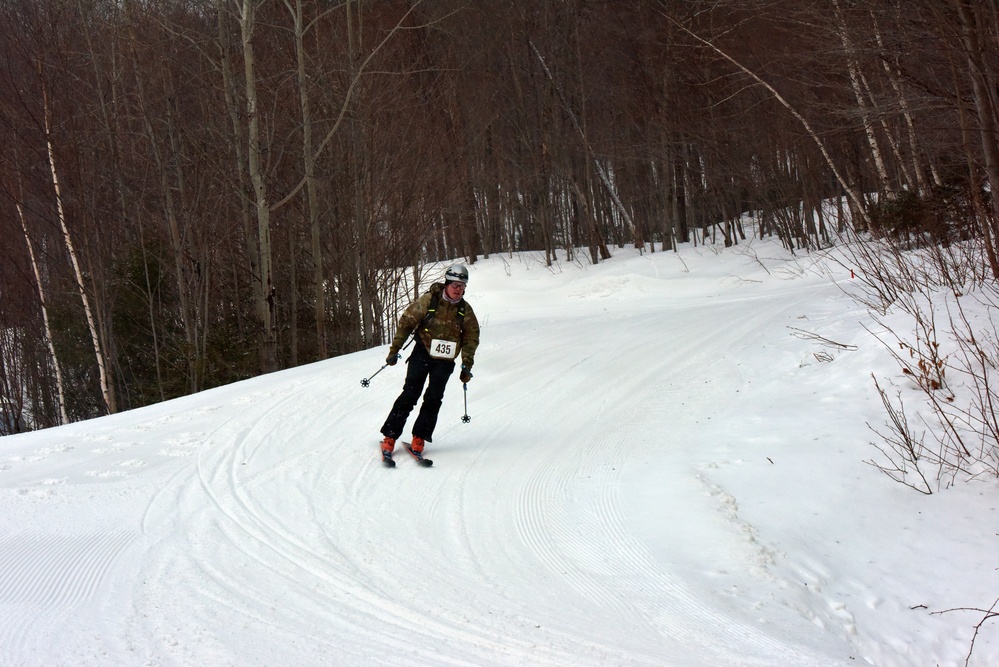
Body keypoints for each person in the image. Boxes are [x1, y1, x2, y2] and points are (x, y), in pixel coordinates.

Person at [379, 263, 480, 461]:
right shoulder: (430, 300)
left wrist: (467, 365)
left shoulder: (465, 311)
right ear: (447, 284)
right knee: (410, 393)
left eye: (462, 286)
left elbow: (471, 338)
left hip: (444, 362)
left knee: (433, 399)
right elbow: (407, 321)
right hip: (422, 354)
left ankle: (419, 437)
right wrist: (394, 350)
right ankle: (390, 436)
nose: (459, 289)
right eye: (455, 285)